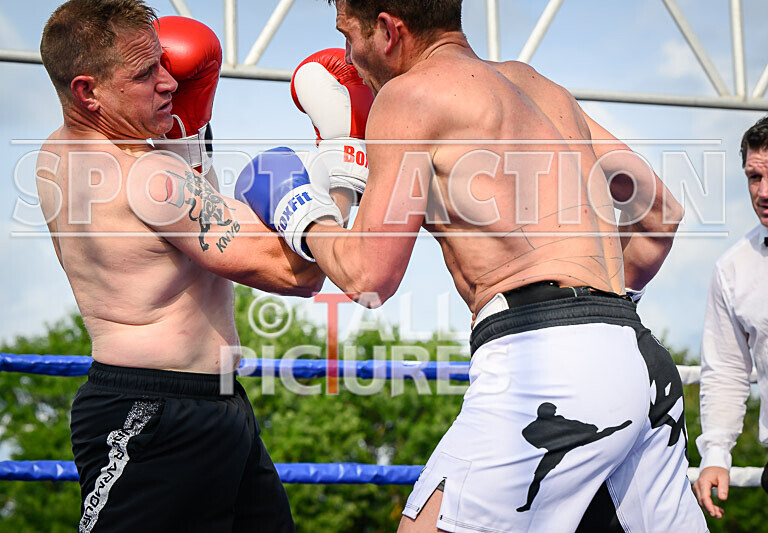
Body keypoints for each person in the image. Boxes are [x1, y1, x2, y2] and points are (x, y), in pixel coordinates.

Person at [236, 1, 709, 531]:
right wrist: (594, 314)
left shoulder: (408, 97)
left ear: (390, 30)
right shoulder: (540, 88)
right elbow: (659, 216)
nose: (349, 56)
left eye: (349, 35)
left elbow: (369, 276)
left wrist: (299, 210)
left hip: (544, 364)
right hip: (640, 359)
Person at [37, 1, 321, 530]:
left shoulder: (55, 155)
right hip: (150, 415)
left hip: (216, 407)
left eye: (165, 63)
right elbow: (300, 273)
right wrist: (339, 161)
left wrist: (186, 134)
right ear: (87, 91)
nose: (169, 82)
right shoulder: (145, 179)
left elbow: (185, 228)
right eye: (146, 73)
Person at [693, 115, 768, 519]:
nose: (764, 192)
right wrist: (716, 453)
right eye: (754, 177)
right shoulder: (733, 268)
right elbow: (725, 370)